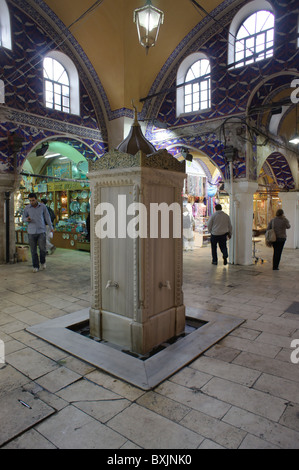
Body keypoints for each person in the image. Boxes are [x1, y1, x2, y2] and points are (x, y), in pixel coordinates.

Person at [22, 193, 53, 272]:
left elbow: (47, 217)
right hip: (31, 231)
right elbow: (23, 218)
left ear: (36, 199)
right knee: (33, 250)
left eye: (33, 200)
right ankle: (35, 266)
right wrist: (27, 219)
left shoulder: (42, 207)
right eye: (30, 201)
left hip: (41, 231)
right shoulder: (27, 208)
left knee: (42, 249)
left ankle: (43, 262)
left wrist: (51, 227)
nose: (31, 202)